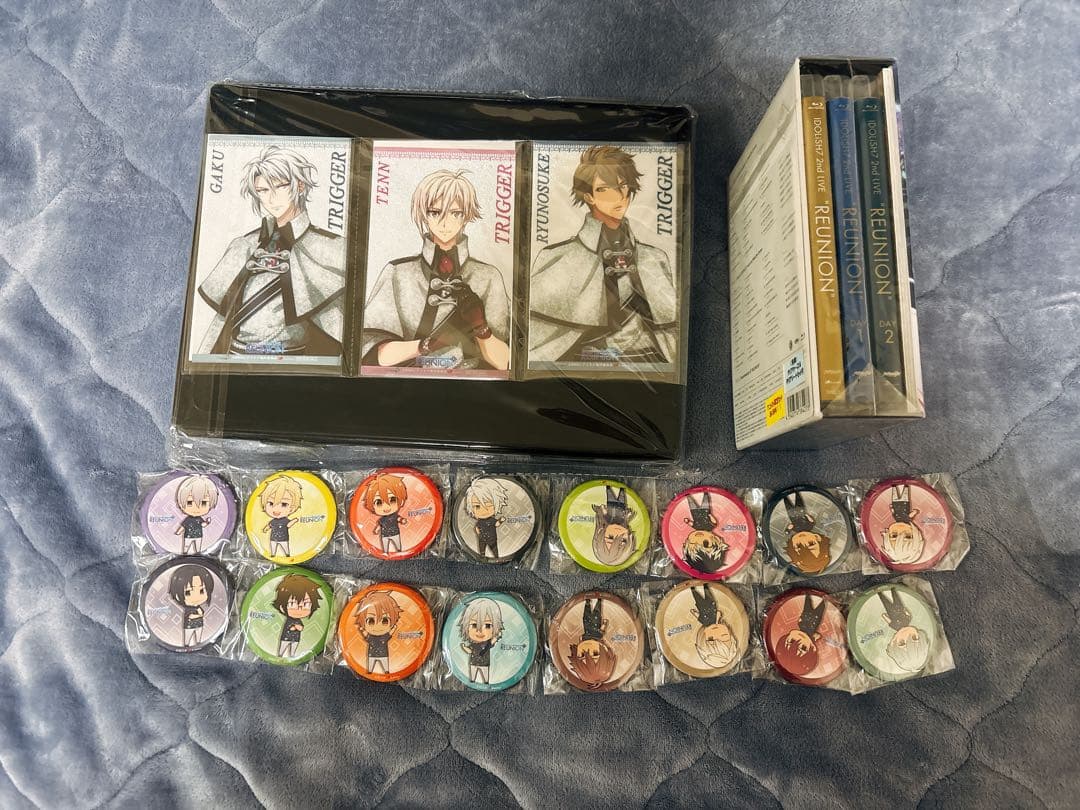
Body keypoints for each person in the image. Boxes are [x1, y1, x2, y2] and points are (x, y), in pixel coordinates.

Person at [529, 145, 677, 365]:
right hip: (581, 368)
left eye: (623, 186)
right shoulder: (557, 257)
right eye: (604, 189)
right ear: (589, 196)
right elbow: (539, 345)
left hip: (650, 366)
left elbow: (671, 336)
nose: (619, 197)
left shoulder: (655, 258)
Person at [197, 145, 346, 358]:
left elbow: (337, 326)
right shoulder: (244, 245)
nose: (270, 198)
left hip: (291, 363)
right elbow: (221, 320)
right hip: (234, 359)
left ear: (300, 186)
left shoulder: (329, 247)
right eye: (263, 190)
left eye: (279, 187)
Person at [362, 169, 511, 371]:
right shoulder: (397, 272)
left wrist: (481, 328)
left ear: (466, 216)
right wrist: (428, 345)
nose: (444, 223)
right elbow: (374, 356)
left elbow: (505, 363)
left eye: (455, 213)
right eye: (435, 212)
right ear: (424, 215)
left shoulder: (489, 276)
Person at [567, 598, 617, 689]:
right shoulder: (598, 635)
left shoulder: (585, 638)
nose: (587, 655)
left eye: (582, 655)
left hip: (588, 629)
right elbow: (602, 630)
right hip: (595, 629)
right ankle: (597, 601)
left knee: (587, 617)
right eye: (595, 654)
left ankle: (589, 602)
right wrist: (604, 624)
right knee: (595, 615)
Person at [879, 587, 931, 673]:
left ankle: (880, 593)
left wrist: (885, 616)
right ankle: (892, 589)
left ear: (893, 642)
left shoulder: (895, 625)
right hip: (900, 608)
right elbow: (907, 613)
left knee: (886, 603)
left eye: (901, 643)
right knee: (896, 598)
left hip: (891, 612)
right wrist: (906, 611)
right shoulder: (907, 620)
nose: (907, 635)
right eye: (914, 637)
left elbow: (888, 620)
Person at [689, 586, 740, 669]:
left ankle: (693, 588)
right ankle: (703, 586)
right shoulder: (716, 618)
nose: (716, 632)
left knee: (698, 598)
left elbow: (698, 615)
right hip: (711, 604)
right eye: (724, 635)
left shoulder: (705, 621)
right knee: (708, 597)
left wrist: (695, 613)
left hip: (702, 606)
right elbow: (717, 614)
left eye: (711, 639)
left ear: (702, 637)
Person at [273, 573, 322, 659]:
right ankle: (280, 657)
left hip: (296, 639)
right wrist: (296, 627)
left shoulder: (299, 621)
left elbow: (300, 628)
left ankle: (292, 656)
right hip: (286, 638)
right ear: (282, 607)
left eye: (306, 604)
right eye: (292, 604)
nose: (300, 608)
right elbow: (291, 628)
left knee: (293, 652)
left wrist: (298, 627)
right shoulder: (289, 620)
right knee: (282, 650)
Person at [353, 590, 402, 675]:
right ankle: (370, 671)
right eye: (371, 621)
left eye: (385, 621)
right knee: (371, 665)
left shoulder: (384, 636)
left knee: (384, 664)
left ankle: (385, 671)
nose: (378, 626)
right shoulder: (373, 637)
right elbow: (365, 634)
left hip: (382, 654)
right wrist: (361, 630)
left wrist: (394, 628)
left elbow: (390, 632)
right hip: (372, 654)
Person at [360, 473, 410, 555]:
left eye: (392, 500)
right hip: (385, 535)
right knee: (385, 546)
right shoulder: (382, 519)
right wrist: (376, 530)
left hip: (395, 533)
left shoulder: (394, 516)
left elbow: (399, 518)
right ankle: (385, 553)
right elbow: (379, 525)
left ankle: (398, 551)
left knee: (397, 545)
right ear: (372, 506)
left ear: (401, 502)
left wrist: (403, 520)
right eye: (379, 502)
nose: (386, 506)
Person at [783, 492, 832, 575]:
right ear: (817, 537)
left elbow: (787, 532)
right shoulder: (808, 526)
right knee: (799, 503)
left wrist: (789, 528)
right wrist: (807, 515)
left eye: (798, 546)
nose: (803, 539)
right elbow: (812, 522)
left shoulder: (795, 529)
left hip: (793, 517)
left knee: (788, 506)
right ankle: (796, 492)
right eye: (811, 543)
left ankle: (785, 497)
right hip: (802, 514)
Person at [457, 597, 504, 684]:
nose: (480, 631)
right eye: (474, 625)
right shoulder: (473, 644)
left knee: (485, 674)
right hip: (474, 662)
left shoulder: (487, 643)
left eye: (488, 626)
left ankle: (485, 682)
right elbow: (470, 651)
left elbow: (493, 641)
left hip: (485, 663)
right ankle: (473, 680)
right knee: (473, 674)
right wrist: (464, 647)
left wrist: (497, 636)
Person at [681, 491, 728, 573]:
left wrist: (688, 522)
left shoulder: (697, 527)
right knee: (705, 502)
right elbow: (714, 522)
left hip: (695, 513)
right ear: (717, 540)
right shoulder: (710, 526)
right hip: (705, 512)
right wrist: (710, 516)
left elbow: (692, 524)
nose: (698, 538)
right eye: (705, 543)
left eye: (692, 542)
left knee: (691, 504)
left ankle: (689, 497)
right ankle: (705, 493)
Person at [168, 565, 214, 648]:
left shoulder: (198, 608)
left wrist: (199, 614)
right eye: (188, 592)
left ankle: (199, 644)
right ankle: (186, 646)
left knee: (199, 638)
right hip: (189, 625)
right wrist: (198, 615)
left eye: (201, 590)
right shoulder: (188, 609)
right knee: (188, 637)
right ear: (177, 596)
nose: (196, 597)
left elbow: (201, 614)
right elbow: (190, 616)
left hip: (199, 624)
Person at [173, 474, 220, 554]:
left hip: (198, 536)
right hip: (188, 536)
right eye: (189, 502)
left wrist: (207, 522)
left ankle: (198, 555)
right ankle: (185, 554)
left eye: (204, 503)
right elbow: (183, 526)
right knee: (186, 546)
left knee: (198, 548)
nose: (196, 507)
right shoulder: (188, 519)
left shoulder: (199, 519)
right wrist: (178, 532)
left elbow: (203, 525)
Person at [591, 486, 637, 566]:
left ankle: (609, 487)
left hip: (612, 506)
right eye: (623, 540)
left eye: (610, 537)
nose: (618, 532)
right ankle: (620, 488)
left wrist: (602, 510)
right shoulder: (623, 522)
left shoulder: (608, 520)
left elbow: (604, 514)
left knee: (610, 496)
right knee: (621, 495)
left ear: (600, 532)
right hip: (621, 507)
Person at [259, 475, 303, 558]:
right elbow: (269, 525)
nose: (276, 509)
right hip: (273, 538)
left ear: (292, 508)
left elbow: (288, 525)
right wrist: (265, 529)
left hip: (283, 538)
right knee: (273, 546)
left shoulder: (285, 520)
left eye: (284, 504)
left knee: (285, 546)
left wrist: (294, 520)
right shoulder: (273, 521)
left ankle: (287, 554)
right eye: (271, 503)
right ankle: (273, 554)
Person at [464, 478, 509, 559]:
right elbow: (477, 528)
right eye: (477, 506)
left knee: (494, 550)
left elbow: (497, 524)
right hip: (482, 539)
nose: (483, 510)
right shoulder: (479, 521)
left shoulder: (492, 520)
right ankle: (482, 557)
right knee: (482, 551)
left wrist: (501, 520)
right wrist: (478, 533)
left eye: (488, 505)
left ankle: (496, 558)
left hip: (492, 539)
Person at [880, 485, 925, 564]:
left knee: (896, 493)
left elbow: (893, 512)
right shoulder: (907, 519)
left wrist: (892, 509)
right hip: (905, 504)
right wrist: (914, 512)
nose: (901, 530)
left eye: (894, 535)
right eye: (908, 536)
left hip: (896, 505)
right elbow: (911, 515)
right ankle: (904, 487)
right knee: (905, 493)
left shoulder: (897, 517)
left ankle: (896, 487)